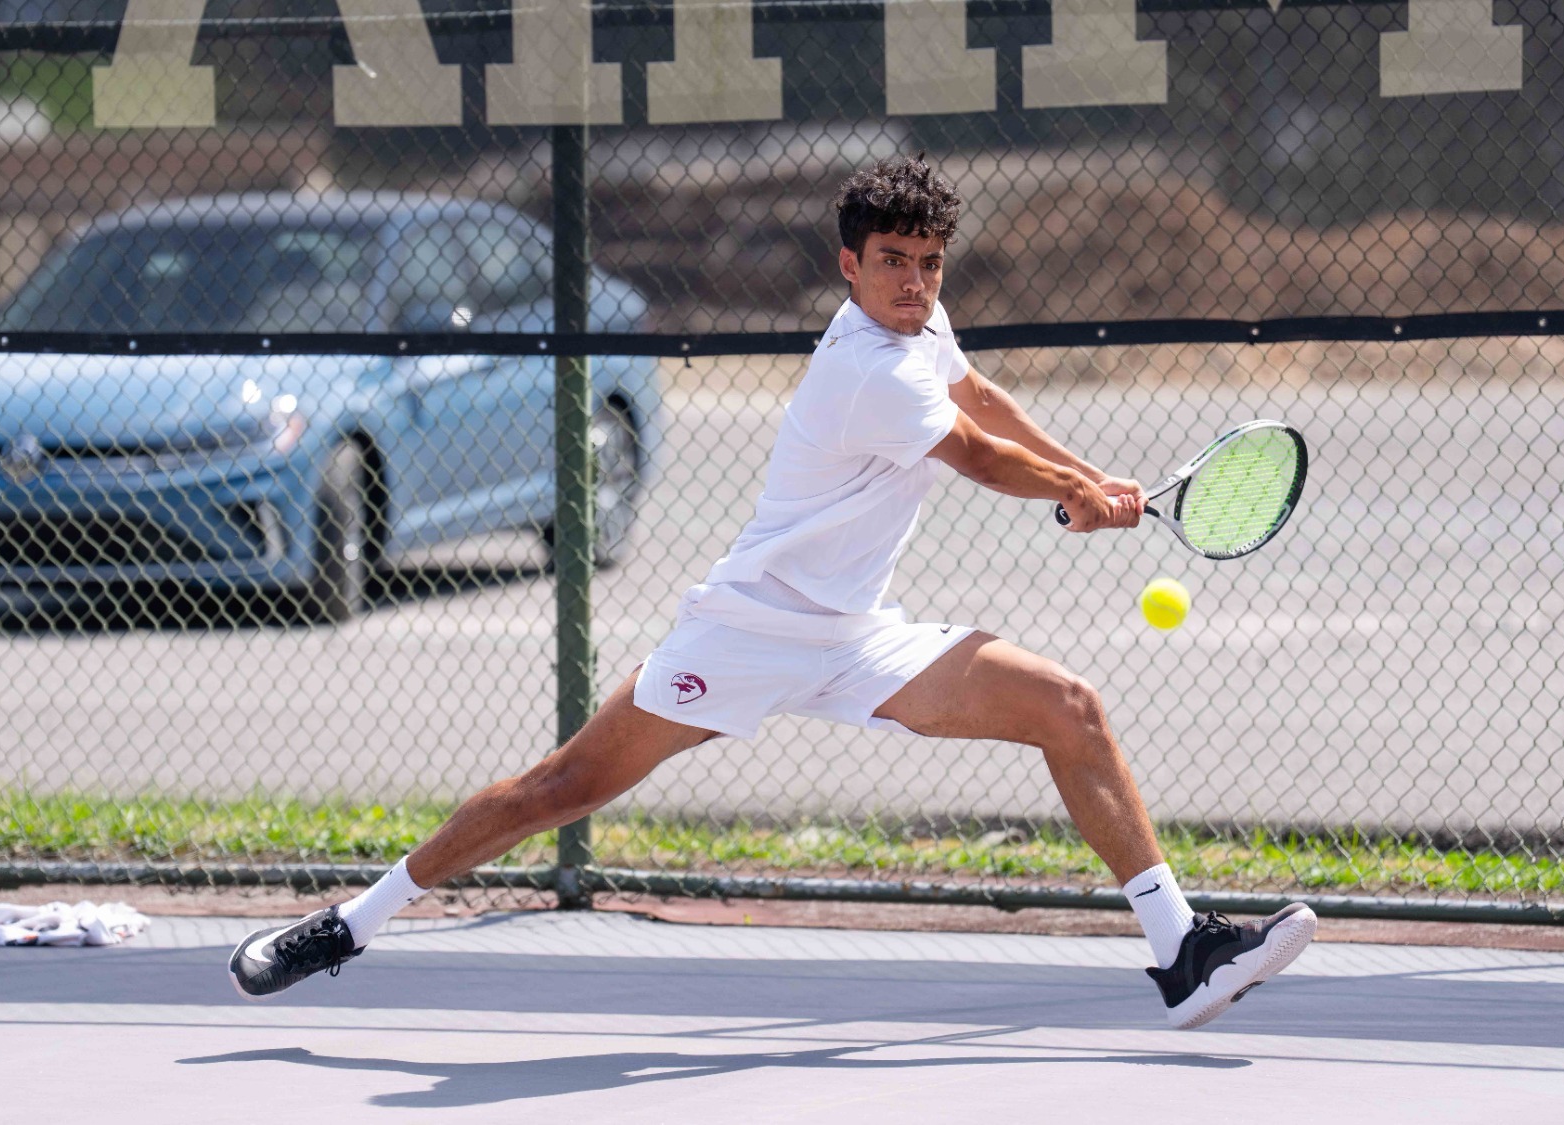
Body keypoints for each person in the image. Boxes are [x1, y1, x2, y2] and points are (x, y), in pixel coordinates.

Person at [230, 155, 1315, 1029]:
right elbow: (977, 454)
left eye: (930, 263)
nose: (914, 283)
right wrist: (1079, 494)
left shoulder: (920, 328)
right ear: (848, 264)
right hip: (747, 630)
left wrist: (1089, 478)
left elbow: (979, 394)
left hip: (857, 635)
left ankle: (1180, 952)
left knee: (1067, 708)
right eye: (892, 263)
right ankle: (350, 922)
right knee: (559, 787)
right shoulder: (865, 367)